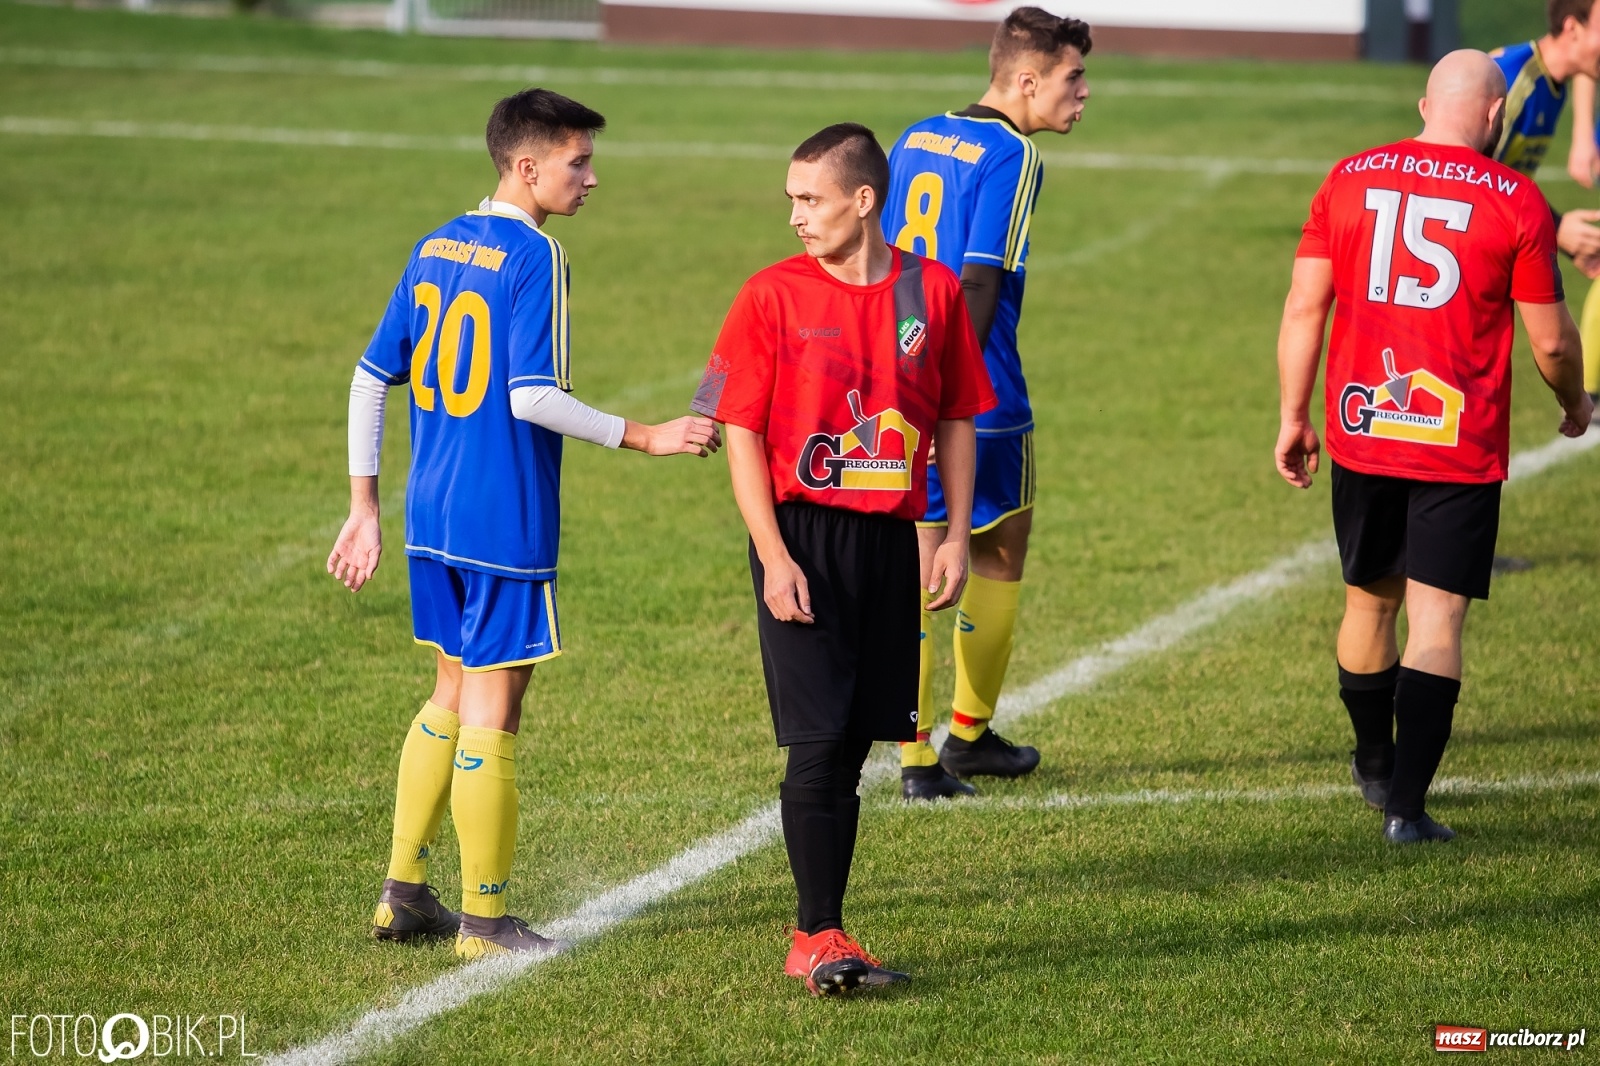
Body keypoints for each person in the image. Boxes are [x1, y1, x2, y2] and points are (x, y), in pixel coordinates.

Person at [327, 88, 720, 958]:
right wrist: (646, 435)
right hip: (500, 515)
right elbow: (531, 397)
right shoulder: (534, 255)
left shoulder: (436, 243)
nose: (592, 178)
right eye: (579, 163)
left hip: (430, 512)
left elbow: (366, 375)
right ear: (526, 166)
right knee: (494, 712)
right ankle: (486, 920)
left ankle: (403, 892)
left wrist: (365, 506)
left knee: (451, 690)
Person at [691, 123, 995, 993]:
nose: (794, 215)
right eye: (790, 199)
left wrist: (955, 531)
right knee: (818, 743)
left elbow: (957, 416)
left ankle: (827, 927)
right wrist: (773, 553)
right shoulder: (769, 295)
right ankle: (815, 935)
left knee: (858, 743)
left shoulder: (929, 290)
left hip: (890, 543)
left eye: (810, 199)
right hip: (800, 537)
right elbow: (732, 420)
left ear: (864, 202)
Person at [1274, 51, 1592, 844]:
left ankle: (1374, 763)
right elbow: (1550, 343)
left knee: (1367, 601)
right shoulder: (1517, 199)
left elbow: (1305, 306)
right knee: (1438, 620)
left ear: (1423, 105)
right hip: (1456, 440)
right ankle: (1407, 810)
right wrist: (1576, 400)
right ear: (1493, 117)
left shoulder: (1348, 177)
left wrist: (1292, 415)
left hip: (1362, 425)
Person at [880, 7, 1092, 800]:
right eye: (1073, 78)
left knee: (918, 560)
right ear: (1026, 80)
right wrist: (947, 384)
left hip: (900, 373)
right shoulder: (1015, 152)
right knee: (995, 551)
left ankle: (921, 752)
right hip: (977, 389)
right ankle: (955, 740)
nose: (1084, 93)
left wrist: (905, 368)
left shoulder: (917, 135)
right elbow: (977, 276)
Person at [1490, 0, 1600, 404]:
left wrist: (1564, 241)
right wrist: (1555, 228)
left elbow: (1507, 183)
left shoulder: (1553, 86)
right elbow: (1469, 180)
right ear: (1572, 28)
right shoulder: (1516, 80)